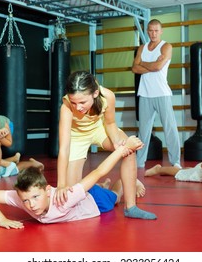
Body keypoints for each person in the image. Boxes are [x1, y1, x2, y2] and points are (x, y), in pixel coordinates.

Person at [0, 135, 156, 229]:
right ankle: (103, 186)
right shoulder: (23, 198)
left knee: (116, 198)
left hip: (95, 202)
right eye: (26, 200)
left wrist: (125, 148)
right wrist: (2, 220)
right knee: (90, 187)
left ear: (48, 191)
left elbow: (98, 171)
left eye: (35, 197)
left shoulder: (64, 200)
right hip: (82, 190)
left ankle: (129, 183)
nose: (31, 205)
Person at [56, 70, 156, 220]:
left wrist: (118, 143)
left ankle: (131, 207)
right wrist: (61, 184)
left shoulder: (107, 96)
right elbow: (64, 148)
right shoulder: (66, 107)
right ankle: (107, 186)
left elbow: (110, 123)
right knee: (72, 195)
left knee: (128, 149)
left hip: (99, 129)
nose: (78, 107)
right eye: (74, 102)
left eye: (82, 102)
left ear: (95, 93)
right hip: (77, 136)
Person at [131, 18, 181, 169]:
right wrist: (150, 66)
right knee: (143, 131)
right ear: (147, 31)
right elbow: (134, 68)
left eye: (156, 31)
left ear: (161, 31)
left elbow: (158, 67)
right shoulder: (142, 48)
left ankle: (176, 162)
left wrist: (143, 64)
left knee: (170, 128)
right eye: (151, 30)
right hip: (145, 94)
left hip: (162, 93)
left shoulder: (166, 46)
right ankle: (139, 163)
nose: (153, 33)